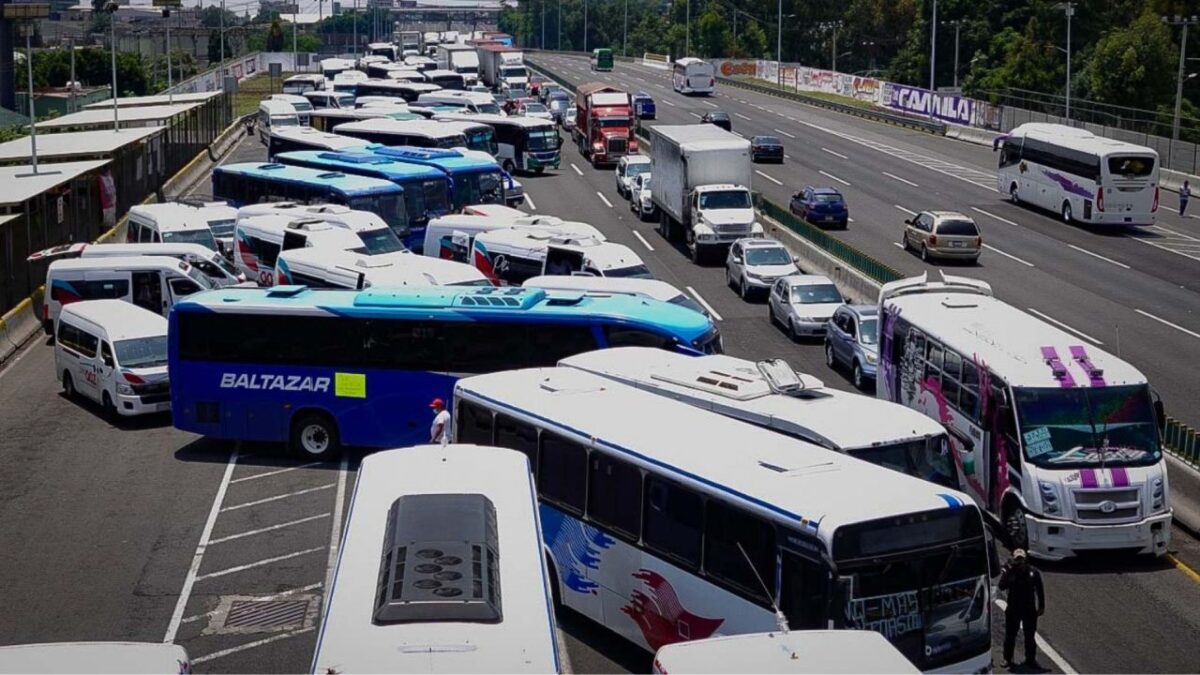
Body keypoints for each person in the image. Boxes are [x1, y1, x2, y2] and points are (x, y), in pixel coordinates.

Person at [998, 549, 1045, 669]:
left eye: (1021, 559)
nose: (1020, 562)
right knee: (1010, 635)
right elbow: (1001, 586)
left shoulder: (1033, 573)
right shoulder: (1010, 572)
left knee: (1030, 636)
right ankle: (1007, 659)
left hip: (1029, 609)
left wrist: (1041, 606)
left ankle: (1031, 659)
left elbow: (1039, 589)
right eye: (1017, 559)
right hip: (1013, 608)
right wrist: (1007, 572)